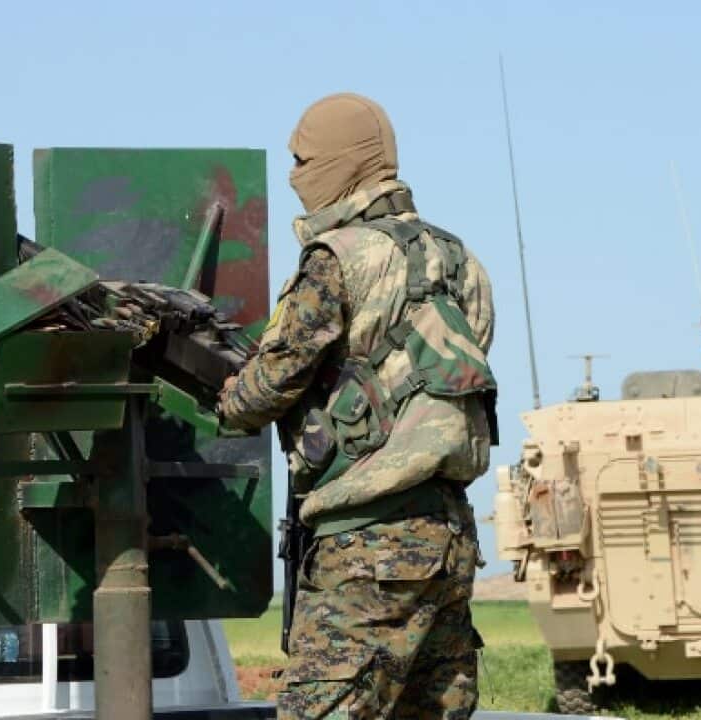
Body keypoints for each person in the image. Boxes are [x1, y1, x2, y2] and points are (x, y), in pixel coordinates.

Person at [218, 92, 496, 719]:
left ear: (344, 161)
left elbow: (273, 380)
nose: (294, 176)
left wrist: (227, 398)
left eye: (304, 160)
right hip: (449, 539)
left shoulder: (339, 256)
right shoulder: (462, 261)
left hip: (369, 545)